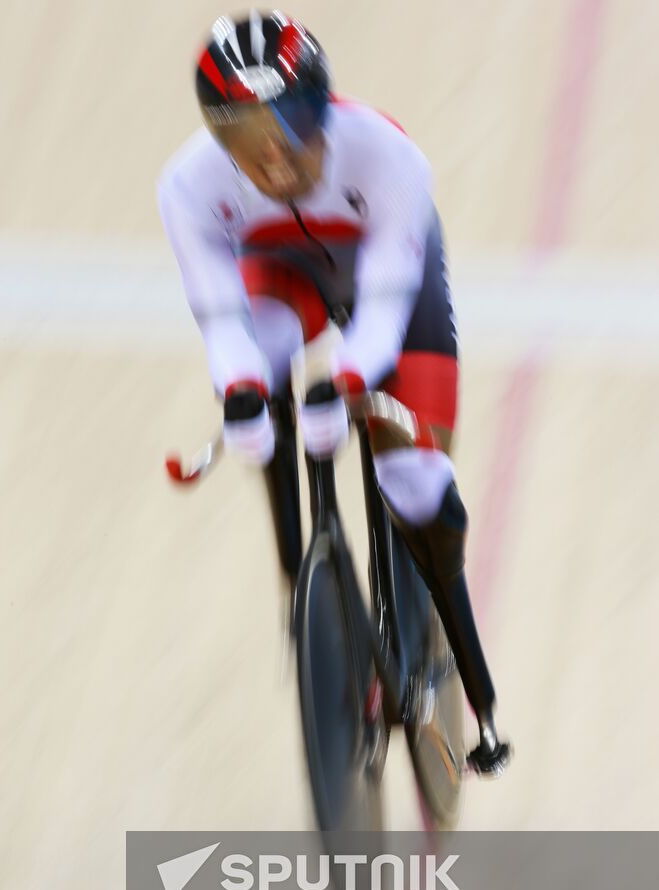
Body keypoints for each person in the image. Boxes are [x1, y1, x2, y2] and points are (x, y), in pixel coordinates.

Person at [157, 10, 511, 776]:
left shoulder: (388, 156)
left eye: (287, 125)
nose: (272, 159)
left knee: (413, 479)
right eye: (243, 139)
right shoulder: (187, 187)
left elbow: (383, 308)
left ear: (322, 105)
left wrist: (349, 381)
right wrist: (242, 391)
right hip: (283, 282)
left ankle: (472, 676)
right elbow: (222, 318)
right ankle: (302, 578)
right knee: (261, 399)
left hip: (389, 289)